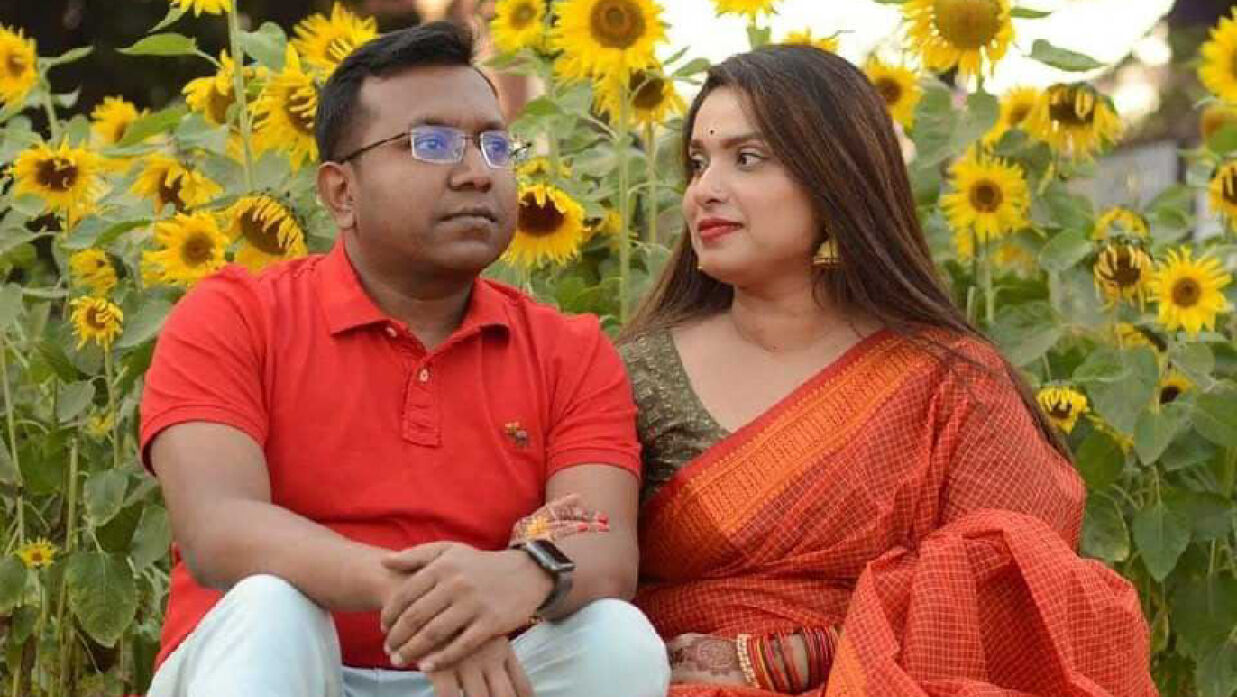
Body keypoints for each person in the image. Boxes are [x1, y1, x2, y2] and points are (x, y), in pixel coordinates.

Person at [140, 21, 669, 697]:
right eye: (432, 144)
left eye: (495, 145)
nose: (477, 172)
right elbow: (219, 528)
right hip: (282, 665)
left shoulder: (567, 349)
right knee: (272, 607)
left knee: (616, 640)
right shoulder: (236, 314)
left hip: (476, 678)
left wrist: (518, 576)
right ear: (341, 192)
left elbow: (604, 546)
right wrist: (433, 601)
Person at [616, 45, 1156, 696]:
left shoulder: (951, 382)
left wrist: (794, 656)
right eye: (698, 162)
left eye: (747, 158)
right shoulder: (633, 373)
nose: (704, 189)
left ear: (834, 177)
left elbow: (1010, 592)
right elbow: (570, 573)